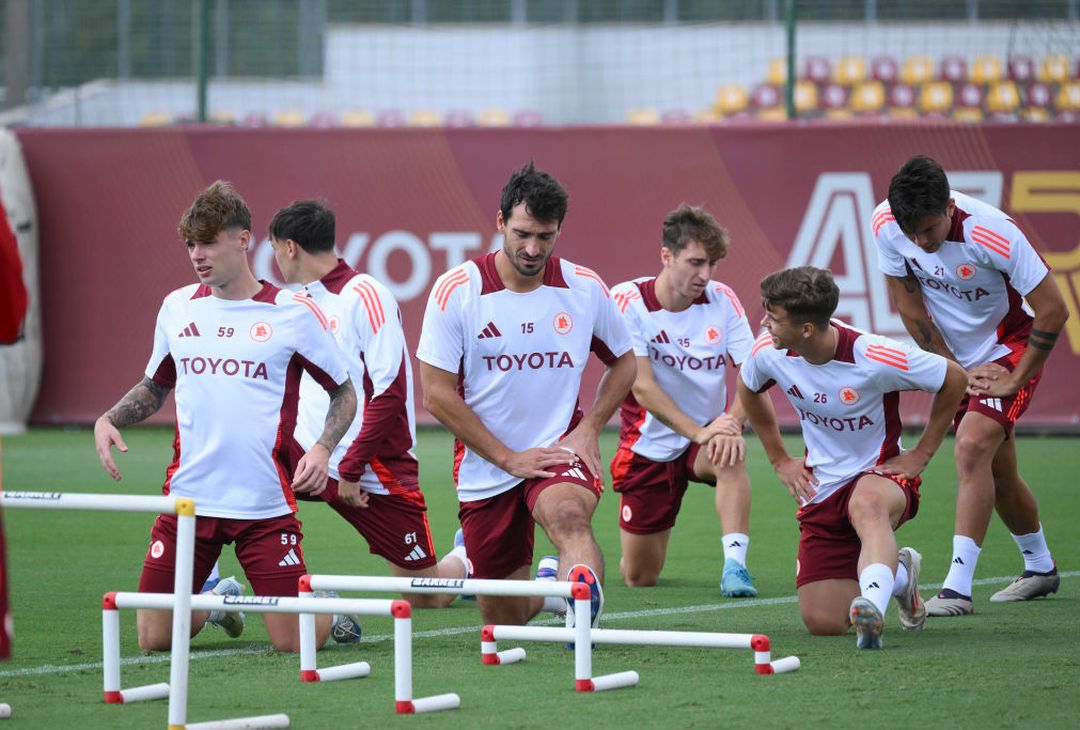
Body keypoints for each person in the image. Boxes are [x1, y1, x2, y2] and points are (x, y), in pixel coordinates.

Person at [93, 181, 357, 653]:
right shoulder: (177, 308)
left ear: (243, 239)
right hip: (189, 503)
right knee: (152, 640)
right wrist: (109, 417)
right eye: (191, 243)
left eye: (209, 241)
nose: (197, 253)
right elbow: (156, 385)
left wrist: (322, 449)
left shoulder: (292, 312)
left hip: (262, 506)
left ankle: (325, 605)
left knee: (293, 645)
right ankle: (217, 600)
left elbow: (344, 392)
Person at [416, 161, 636, 626]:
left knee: (570, 517)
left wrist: (590, 427)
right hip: (487, 465)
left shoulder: (583, 287)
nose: (533, 248)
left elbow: (626, 362)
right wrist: (508, 458)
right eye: (522, 234)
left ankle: (582, 627)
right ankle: (552, 591)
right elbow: (435, 395)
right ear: (499, 223)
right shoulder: (457, 291)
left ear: (559, 231)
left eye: (545, 236)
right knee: (505, 618)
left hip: (560, 448)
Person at [873, 155, 1069, 616]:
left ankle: (957, 588)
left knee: (972, 445)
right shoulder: (886, 224)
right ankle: (1040, 567)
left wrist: (1016, 378)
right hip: (958, 356)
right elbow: (908, 305)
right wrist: (954, 368)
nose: (920, 243)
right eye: (912, 234)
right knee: (998, 468)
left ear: (947, 209)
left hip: (1010, 347)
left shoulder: (991, 231)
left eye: (929, 231)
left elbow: (1054, 310)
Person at [737, 266, 967, 649]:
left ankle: (872, 614)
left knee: (868, 503)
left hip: (882, 477)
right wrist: (779, 458)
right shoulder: (768, 351)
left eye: (774, 318)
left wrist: (923, 452)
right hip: (823, 489)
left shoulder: (874, 355)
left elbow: (954, 379)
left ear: (807, 328)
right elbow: (749, 388)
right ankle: (901, 576)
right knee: (823, 621)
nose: (765, 324)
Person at [267, 200, 468, 610]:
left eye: (274, 249)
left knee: (424, 595)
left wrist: (353, 467)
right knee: (234, 480)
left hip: (372, 466)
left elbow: (390, 392)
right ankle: (210, 583)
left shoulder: (366, 294)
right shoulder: (292, 304)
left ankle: (466, 558)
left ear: (289, 247)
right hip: (307, 453)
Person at [609, 204, 761, 596]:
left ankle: (735, 567)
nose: (705, 275)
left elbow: (753, 371)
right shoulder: (629, 301)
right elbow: (641, 387)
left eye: (711, 263)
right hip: (649, 445)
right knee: (640, 576)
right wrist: (698, 432)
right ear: (667, 256)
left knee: (731, 452)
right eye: (695, 262)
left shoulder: (722, 299)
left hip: (707, 434)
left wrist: (729, 422)